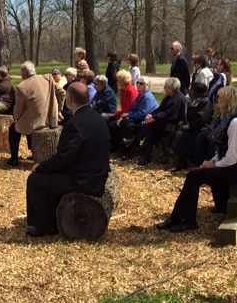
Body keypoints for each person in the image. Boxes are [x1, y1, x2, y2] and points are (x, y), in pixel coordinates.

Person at [156, 87, 237, 233]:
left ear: (228, 100)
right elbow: (223, 151)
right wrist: (211, 162)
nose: (216, 100)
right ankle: (177, 217)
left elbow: (233, 157)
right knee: (196, 174)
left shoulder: (236, 123)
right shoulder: (227, 119)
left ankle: (187, 220)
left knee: (193, 177)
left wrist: (214, 164)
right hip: (229, 165)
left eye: (219, 97)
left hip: (236, 169)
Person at [24, 82, 110, 238]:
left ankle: (42, 226)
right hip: (97, 175)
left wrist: (41, 167)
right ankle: (52, 219)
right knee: (50, 178)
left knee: (35, 180)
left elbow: (63, 159)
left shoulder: (75, 125)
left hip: (84, 181)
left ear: (69, 99)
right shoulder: (98, 119)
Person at [10, 62, 59, 166]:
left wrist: (16, 117)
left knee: (13, 129)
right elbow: (62, 92)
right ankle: (34, 153)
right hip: (48, 120)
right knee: (28, 119)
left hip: (34, 122)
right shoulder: (47, 79)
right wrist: (58, 110)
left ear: (23, 75)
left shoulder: (22, 87)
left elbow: (18, 109)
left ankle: (14, 158)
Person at [137, 77, 185, 165]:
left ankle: (135, 141)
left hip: (171, 126)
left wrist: (154, 117)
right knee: (150, 134)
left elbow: (169, 114)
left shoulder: (178, 99)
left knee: (148, 126)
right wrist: (151, 115)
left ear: (171, 88)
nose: (164, 88)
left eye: (165, 86)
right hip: (163, 122)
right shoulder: (168, 97)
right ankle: (145, 157)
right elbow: (160, 109)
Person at [113, 78, 158, 157]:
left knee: (129, 126)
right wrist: (125, 116)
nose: (138, 85)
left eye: (141, 83)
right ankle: (120, 147)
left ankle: (126, 152)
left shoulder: (148, 97)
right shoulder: (139, 96)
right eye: (137, 83)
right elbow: (133, 109)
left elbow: (142, 114)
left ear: (146, 86)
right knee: (122, 122)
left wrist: (128, 115)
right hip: (139, 119)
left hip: (146, 122)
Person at [170, 82, 211, 170]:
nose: (188, 90)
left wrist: (185, 127)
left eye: (190, 88)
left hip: (199, 129)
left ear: (196, 92)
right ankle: (178, 159)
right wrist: (181, 123)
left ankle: (180, 161)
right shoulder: (191, 101)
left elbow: (200, 121)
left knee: (180, 134)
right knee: (175, 131)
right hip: (189, 127)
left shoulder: (205, 102)